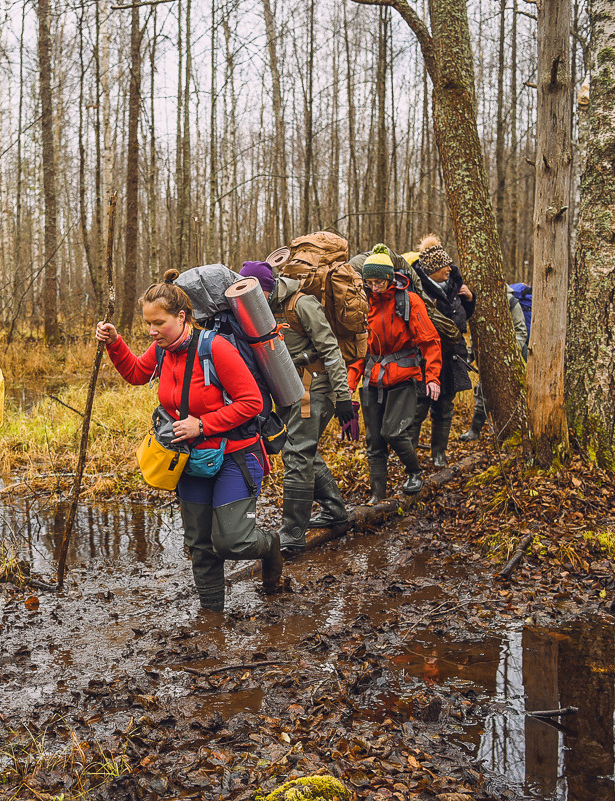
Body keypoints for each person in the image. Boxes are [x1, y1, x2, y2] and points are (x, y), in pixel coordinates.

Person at [95, 270, 282, 611]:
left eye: (159, 323)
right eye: (148, 324)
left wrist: (204, 425)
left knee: (233, 542)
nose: (152, 331)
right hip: (191, 461)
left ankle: (270, 545)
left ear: (182, 317)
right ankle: (212, 619)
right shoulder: (163, 350)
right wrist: (115, 342)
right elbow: (137, 374)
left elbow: (252, 403)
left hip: (235, 456)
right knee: (200, 544)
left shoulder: (217, 348)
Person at [238, 260, 354, 556]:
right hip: (288, 391)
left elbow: (330, 349)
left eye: (258, 293)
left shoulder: (302, 304)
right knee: (303, 451)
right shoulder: (257, 308)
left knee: (297, 453)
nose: (254, 301)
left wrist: (343, 396)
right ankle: (335, 511)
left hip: (313, 390)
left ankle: (292, 533)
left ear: (268, 287)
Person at [350, 245, 442, 503]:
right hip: (372, 379)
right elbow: (359, 350)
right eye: (369, 282)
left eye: (378, 281)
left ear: (390, 277)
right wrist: (350, 383)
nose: (374, 287)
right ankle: (377, 497)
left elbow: (430, 341)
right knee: (374, 441)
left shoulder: (409, 301)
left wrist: (432, 377)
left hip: (404, 377)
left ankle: (414, 472)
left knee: (394, 432)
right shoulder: (363, 304)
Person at [405, 236, 475, 467]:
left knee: (445, 407)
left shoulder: (455, 284)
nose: (449, 268)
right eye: (444, 266)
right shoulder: (417, 288)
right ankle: (410, 458)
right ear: (432, 269)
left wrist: (470, 300)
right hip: (425, 356)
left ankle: (439, 454)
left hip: (453, 355)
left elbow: (463, 316)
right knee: (419, 407)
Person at [459, 284, 528, 442]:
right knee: (482, 391)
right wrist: (469, 356)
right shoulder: (478, 302)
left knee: (516, 393)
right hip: (490, 357)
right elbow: (476, 334)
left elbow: (521, 331)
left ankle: (517, 431)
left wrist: (509, 354)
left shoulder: (510, 301)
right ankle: (475, 431)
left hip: (514, 357)